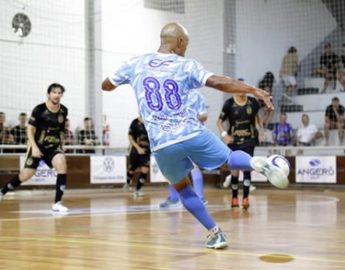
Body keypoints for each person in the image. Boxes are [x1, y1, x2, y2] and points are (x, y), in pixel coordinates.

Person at [101, 22, 287, 249]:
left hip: (162, 144)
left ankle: (215, 233)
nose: (186, 49)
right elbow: (219, 82)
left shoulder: (135, 63)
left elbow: (106, 85)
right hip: (190, 132)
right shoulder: (186, 65)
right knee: (229, 160)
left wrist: (123, 81)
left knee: (181, 188)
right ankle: (258, 163)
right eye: (186, 44)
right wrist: (253, 90)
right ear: (179, 42)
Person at [0, 83, 69, 212]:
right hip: (37, 145)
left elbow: (61, 129)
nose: (57, 95)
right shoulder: (39, 110)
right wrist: (34, 147)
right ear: (49, 94)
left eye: (59, 93)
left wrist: (61, 145)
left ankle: (57, 203)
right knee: (26, 175)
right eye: (54, 92)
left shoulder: (64, 110)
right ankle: (3, 191)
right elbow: (30, 130)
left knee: (62, 164)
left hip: (53, 146)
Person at [159, 89, 208, 209]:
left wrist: (188, 119)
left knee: (190, 167)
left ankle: (197, 198)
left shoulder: (195, 95)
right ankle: (177, 198)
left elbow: (204, 116)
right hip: (175, 136)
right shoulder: (170, 95)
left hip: (190, 135)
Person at [217, 88, 262, 210]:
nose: (241, 90)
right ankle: (234, 197)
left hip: (249, 140)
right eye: (237, 88)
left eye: (243, 87)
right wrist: (224, 135)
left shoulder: (253, 102)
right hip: (234, 142)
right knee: (234, 171)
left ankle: (246, 198)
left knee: (247, 168)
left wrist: (261, 130)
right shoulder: (229, 103)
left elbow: (258, 117)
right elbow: (219, 122)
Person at [123, 115, 151, 197]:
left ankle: (137, 190)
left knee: (145, 170)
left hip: (146, 150)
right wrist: (138, 148)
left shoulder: (150, 121)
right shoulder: (135, 122)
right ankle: (128, 182)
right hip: (135, 150)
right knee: (132, 168)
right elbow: (130, 137)